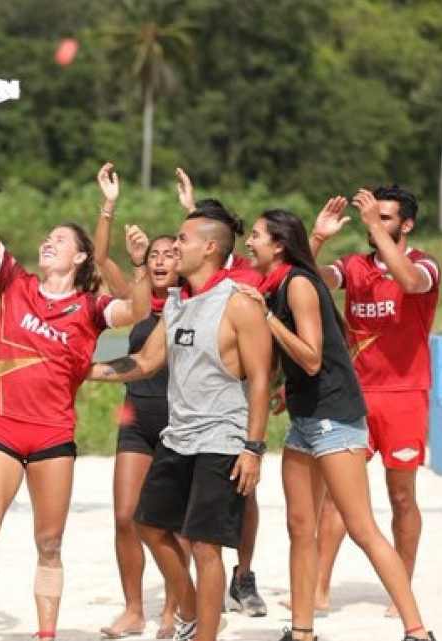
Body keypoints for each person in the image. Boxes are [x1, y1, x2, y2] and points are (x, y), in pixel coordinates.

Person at [0, 164, 150, 641]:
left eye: (60, 240)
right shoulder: (14, 284)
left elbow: (138, 311)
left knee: (49, 544)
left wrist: (141, 264)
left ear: (81, 256)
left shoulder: (90, 308)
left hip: (52, 436)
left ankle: (47, 635)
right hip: (1, 427)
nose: (48, 242)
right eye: (47, 237)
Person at [237, 209, 435, 641]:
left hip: (336, 416)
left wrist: (267, 319)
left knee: (362, 527)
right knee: (299, 527)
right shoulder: (279, 283)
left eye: (255, 236)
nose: (248, 242)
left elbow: (310, 356)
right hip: (306, 417)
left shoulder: (299, 285)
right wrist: (284, 385)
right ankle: (303, 631)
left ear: (278, 246)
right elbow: (309, 360)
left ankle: (417, 630)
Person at [90, 209, 273, 641]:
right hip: (180, 435)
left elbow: (261, 379)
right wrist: (82, 369)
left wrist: (254, 448)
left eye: (183, 241)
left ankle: (203, 633)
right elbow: (145, 361)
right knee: (149, 524)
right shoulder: (175, 302)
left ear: (210, 248)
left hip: (223, 439)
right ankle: (193, 611)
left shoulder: (239, 302)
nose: (174, 248)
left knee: (205, 546)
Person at [304, 188, 440, 616]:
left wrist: (375, 229)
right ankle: (320, 589)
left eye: (385, 217)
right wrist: (317, 239)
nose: (374, 222)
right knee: (338, 497)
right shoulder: (354, 266)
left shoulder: (424, 264)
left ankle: (402, 589)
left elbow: (409, 283)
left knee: (401, 496)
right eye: (373, 215)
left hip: (404, 396)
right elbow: (306, 280)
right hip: (355, 398)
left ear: (407, 224)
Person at [91, 163, 184, 639]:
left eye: (172, 253)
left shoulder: (194, 301)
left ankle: (174, 609)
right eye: (156, 254)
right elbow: (99, 257)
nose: (162, 259)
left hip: (180, 420)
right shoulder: (140, 297)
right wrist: (109, 206)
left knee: (170, 523)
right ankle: (133, 609)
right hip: (136, 414)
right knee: (126, 515)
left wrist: (192, 210)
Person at [175, 167, 269, 618]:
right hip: (182, 396)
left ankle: (243, 575)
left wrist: (255, 439)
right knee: (178, 518)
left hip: (234, 405)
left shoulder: (247, 281)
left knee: (242, 498)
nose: (179, 242)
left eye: (189, 232)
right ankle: (188, 602)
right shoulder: (184, 277)